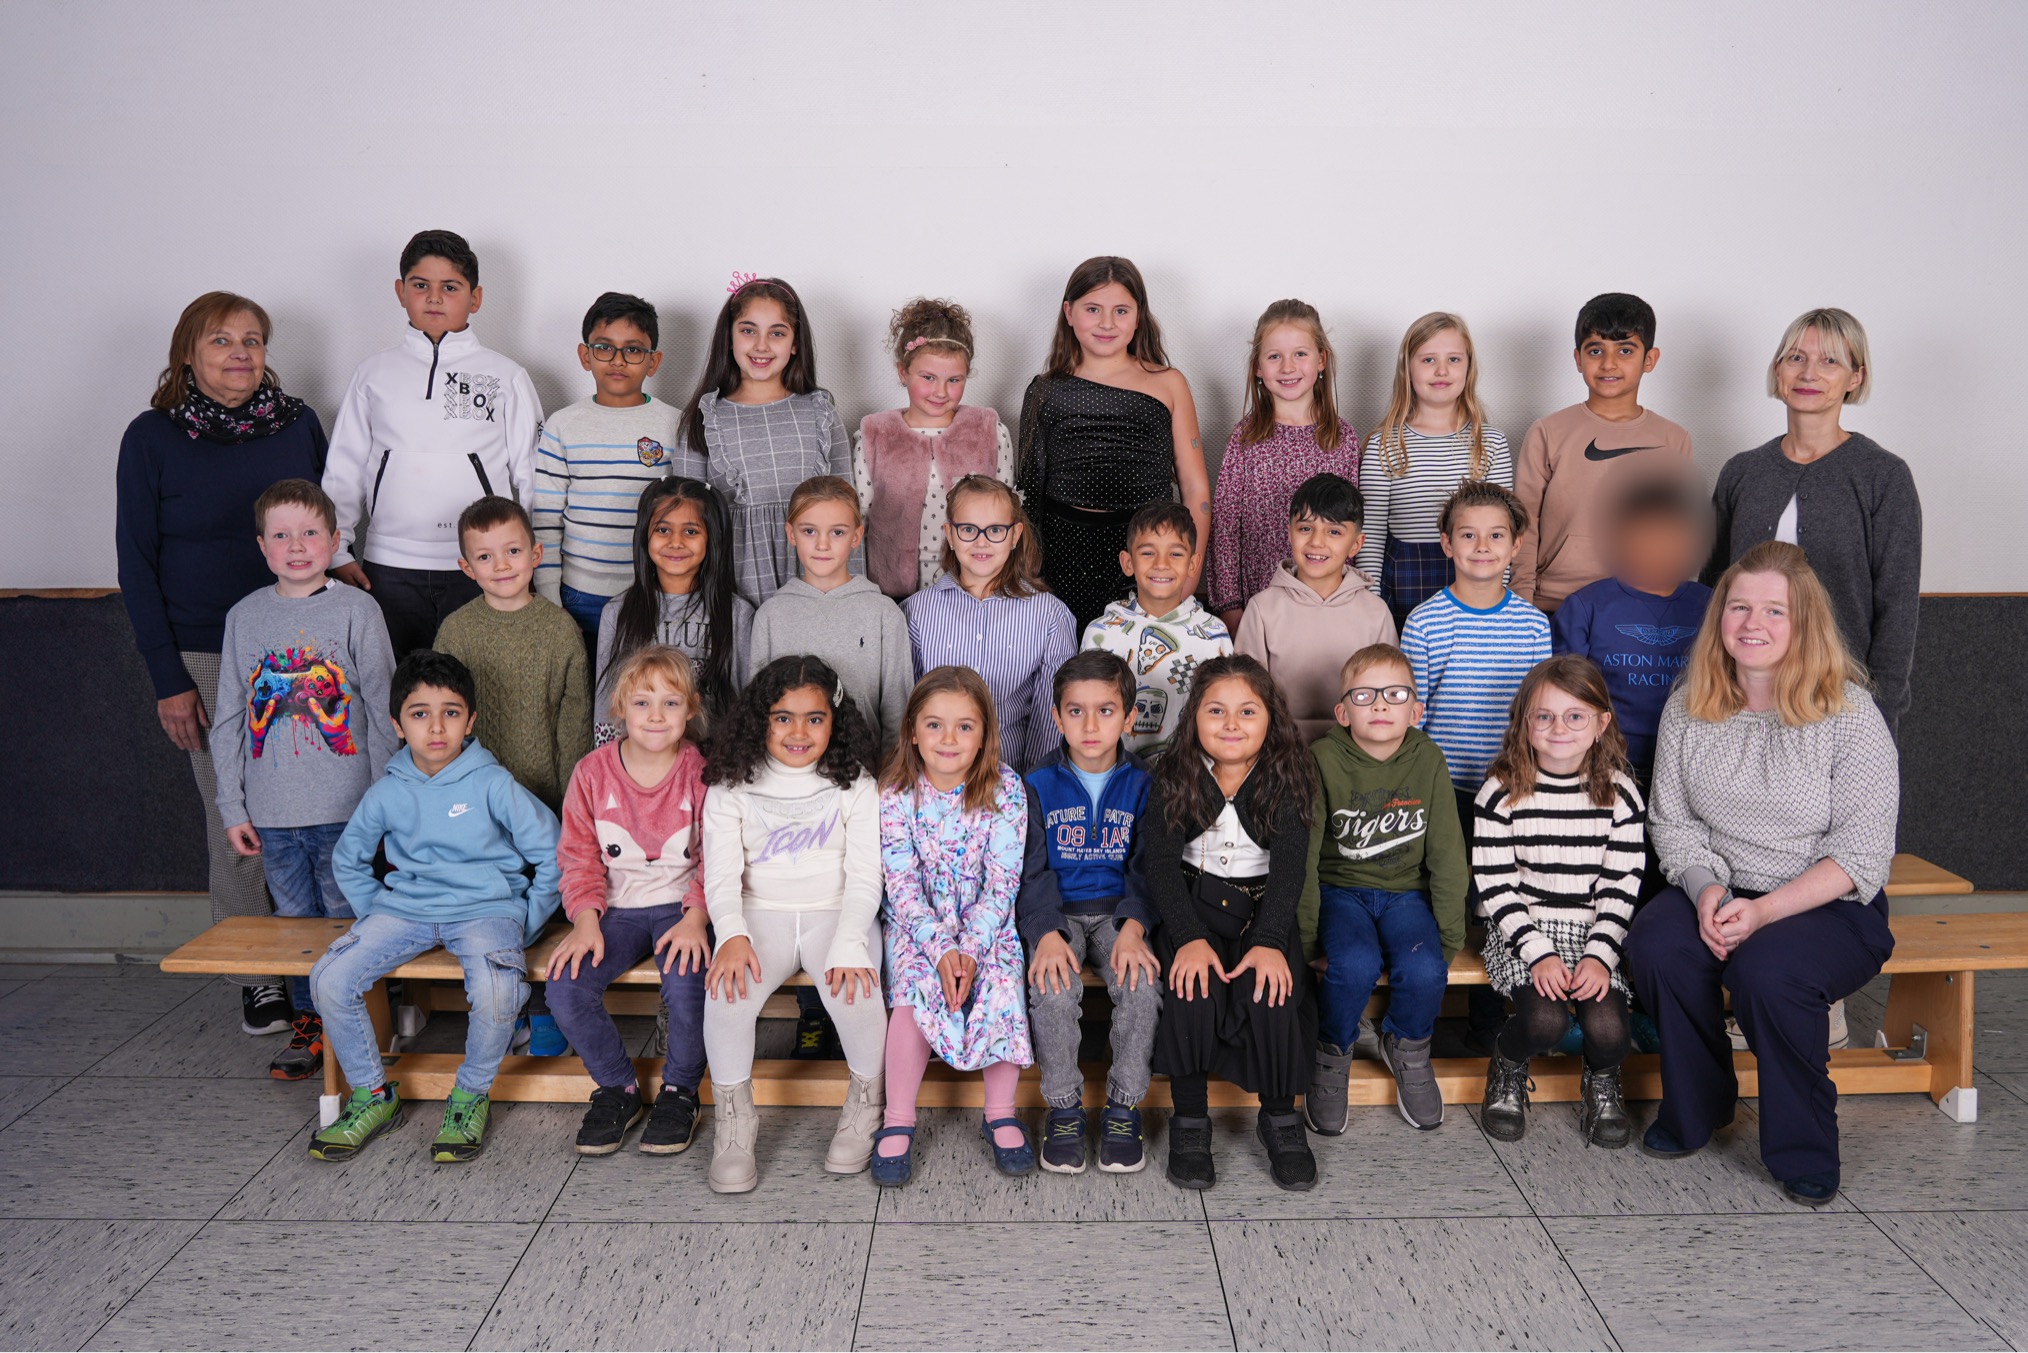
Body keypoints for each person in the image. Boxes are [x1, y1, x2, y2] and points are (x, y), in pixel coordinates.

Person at [1625, 542, 1899, 1207]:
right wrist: (1707, 893)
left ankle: (1804, 1146)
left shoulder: (1849, 714)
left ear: (1805, 622)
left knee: (1767, 973)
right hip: (1720, 886)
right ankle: (1698, 1106)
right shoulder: (1691, 705)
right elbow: (1672, 823)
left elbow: (1861, 853)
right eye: (1740, 607)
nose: (1753, 623)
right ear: (1719, 616)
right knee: (1657, 946)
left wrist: (1764, 912)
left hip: (1827, 902)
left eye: (1775, 610)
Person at [116, 290, 329, 1041]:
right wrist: (168, 677)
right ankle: (257, 976)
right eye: (220, 340)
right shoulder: (152, 437)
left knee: (319, 807)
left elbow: (327, 520)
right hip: (205, 651)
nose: (240, 352)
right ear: (188, 353)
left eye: (252, 339)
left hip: (301, 645)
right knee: (234, 812)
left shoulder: (298, 425)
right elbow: (136, 562)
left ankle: (326, 968)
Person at [308, 650, 561, 1163]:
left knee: (498, 991)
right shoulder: (386, 792)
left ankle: (469, 1096)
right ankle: (373, 1096)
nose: (437, 727)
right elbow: (349, 859)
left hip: (487, 910)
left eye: (451, 712)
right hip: (404, 911)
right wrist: (377, 913)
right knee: (329, 978)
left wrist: (527, 921)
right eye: (420, 713)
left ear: (471, 720)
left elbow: (554, 852)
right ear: (397, 725)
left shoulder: (492, 783)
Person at [211, 479, 398, 1080]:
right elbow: (230, 718)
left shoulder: (357, 610)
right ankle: (312, 1024)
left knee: (349, 919)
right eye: (281, 535)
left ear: (335, 541)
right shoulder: (245, 617)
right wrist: (233, 806)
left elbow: (382, 710)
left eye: (310, 533)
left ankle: (361, 1021)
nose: (296, 546)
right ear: (261, 545)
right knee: (293, 928)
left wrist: (386, 801)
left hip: (348, 809)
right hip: (272, 815)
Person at [700, 656, 888, 1191]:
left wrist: (850, 941)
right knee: (727, 996)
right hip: (760, 913)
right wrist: (731, 934)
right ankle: (735, 1123)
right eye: (782, 718)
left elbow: (865, 875)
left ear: (835, 720)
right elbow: (720, 876)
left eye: (814, 718)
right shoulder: (731, 784)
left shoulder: (856, 784)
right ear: (760, 719)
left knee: (857, 992)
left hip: (838, 910)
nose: (798, 732)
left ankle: (866, 1103)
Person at [322, 230, 543, 657]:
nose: (435, 297)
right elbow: (344, 468)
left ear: (475, 298)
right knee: (398, 685)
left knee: (481, 683)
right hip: (389, 566)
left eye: (451, 287)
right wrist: (338, 552)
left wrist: (534, 563)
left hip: (484, 566)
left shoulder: (505, 376)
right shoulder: (373, 374)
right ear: (401, 291)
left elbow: (534, 475)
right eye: (421, 285)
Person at [1145, 655, 1318, 1193]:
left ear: (1271, 719)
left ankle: (1280, 1116)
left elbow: (1290, 868)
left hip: (1262, 912)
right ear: (1193, 716)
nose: (1231, 724)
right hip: (1191, 909)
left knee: (1272, 990)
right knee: (1191, 989)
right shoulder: (1173, 774)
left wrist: (1268, 941)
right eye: (1216, 710)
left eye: (1247, 711)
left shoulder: (1287, 775)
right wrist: (1188, 938)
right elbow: (1160, 866)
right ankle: (1190, 1120)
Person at [1708, 308, 1921, 739]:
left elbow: (1897, 609)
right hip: (1740, 698)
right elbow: (1712, 590)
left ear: (1856, 377)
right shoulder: (1741, 472)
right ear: (1778, 370)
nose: (1809, 373)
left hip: (1840, 699)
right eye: (1796, 358)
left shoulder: (1883, 476)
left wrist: (1881, 715)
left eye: (1830, 361)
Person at [1402, 479, 1553, 1054]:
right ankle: (1422, 1013)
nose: (1482, 547)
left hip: (1510, 790)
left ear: (1516, 545)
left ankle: (1488, 1021)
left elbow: (1538, 714)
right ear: (1446, 543)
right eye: (1468, 535)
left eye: (1496, 536)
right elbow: (1413, 716)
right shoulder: (1424, 621)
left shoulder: (1533, 625)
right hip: (1444, 790)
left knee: (1498, 903)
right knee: (1443, 896)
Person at [545, 646, 712, 1158]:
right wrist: (585, 920)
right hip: (614, 910)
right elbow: (578, 855)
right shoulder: (592, 773)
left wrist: (697, 918)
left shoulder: (701, 773)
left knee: (688, 983)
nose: (656, 716)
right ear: (619, 708)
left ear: (690, 709)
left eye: (670, 703)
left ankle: (681, 1091)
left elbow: (718, 857)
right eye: (642, 703)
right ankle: (618, 1087)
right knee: (566, 986)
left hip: (683, 908)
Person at [870, 666, 1034, 1186]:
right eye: (934, 725)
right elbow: (900, 883)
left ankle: (1001, 1111)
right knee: (913, 989)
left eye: (965, 726)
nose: (948, 738)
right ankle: (898, 1117)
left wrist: (971, 947)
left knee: (1003, 980)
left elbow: (1003, 881)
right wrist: (941, 950)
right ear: (912, 732)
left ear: (984, 734)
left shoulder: (1006, 788)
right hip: (917, 923)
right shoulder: (895, 793)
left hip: (986, 920)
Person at [1475, 655, 1647, 1149]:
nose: (1559, 729)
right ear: (1524, 722)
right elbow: (1497, 885)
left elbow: (1621, 885)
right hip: (1522, 929)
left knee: (1610, 1030)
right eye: (1544, 716)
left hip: (1595, 930)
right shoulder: (1501, 792)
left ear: (1601, 724)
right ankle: (1508, 1064)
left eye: (1575, 716)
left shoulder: (1621, 795)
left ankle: (1602, 1080)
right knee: (1544, 1021)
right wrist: (1539, 953)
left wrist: (1599, 955)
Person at [1297, 643, 1466, 1137]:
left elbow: (1447, 853)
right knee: (1353, 964)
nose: (1379, 704)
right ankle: (1332, 1050)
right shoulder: (1321, 759)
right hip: (1340, 891)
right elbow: (1305, 856)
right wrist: (1306, 939)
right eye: (1364, 695)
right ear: (1342, 712)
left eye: (1394, 694)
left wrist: (1449, 937)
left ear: (1416, 710)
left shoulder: (1428, 758)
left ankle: (1407, 1043)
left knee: (1426, 968)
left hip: (1406, 894)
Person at [1018, 650, 1161, 1175]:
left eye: (1106, 711)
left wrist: (1134, 927)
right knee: (1053, 987)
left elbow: (1148, 867)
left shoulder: (1145, 783)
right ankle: (1064, 1109)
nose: (1091, 725)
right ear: (1057, 718)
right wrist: (1045, 933)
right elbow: (1030, 870)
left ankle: (1124, 1107)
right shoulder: (1036, 783)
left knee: (1141, 986)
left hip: (1119, 915)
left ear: (1129, 717)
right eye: (1076, 711)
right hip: (1057, 913)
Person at [1017, 256, 1212, 631]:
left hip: (1148, 552)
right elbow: (1029, 493)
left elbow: (1195, 488)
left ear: (1138, 316)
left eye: (1121, 311)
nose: (1106, 323)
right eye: (1093, 309)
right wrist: (1028, 573)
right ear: (1069, 312)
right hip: (1063, 557)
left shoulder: (1169, 383)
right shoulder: (1043, 390)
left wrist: (1190, 573)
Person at [531, 292, 704, 639]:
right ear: (585, 355)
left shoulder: (676, 425)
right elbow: (546, 517)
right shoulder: (562, 425)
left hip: (652, 592)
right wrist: (549, 593)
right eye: (604, 348)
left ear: (653, 361)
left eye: (633, 350)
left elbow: (691, 513)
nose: (618, 360)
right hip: (578, 595)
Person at [1511, 293, 1694, 613]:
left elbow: (1679, 534)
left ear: (1650, 360)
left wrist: (1672, 607)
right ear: (1578, 358)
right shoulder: (1547, 432)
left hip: (1637, 608)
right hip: (1554, 603)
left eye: (1625, 350)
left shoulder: (1673, 439)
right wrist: (1521, 605)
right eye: (1596, 350)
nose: (1609, 363)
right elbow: (1523, 524)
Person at [681, 276, 854, 608]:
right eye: (748, 330)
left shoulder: (820, 413)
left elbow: (847, 514)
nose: (761, 346)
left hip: (815, 589)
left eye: (777, 333)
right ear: (729, 338)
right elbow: (688, 521)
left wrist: (852, 599)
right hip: (733, 591)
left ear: (795, 343)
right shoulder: (705, 419)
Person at [1205, 299, 1362, 629]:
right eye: (1275, 356)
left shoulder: (1342, 438)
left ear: (1321, 360)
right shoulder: (1245, 438)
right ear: (1258, 367)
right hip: (1259, 607)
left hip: (1328, 605)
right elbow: (1225, 529)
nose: (1288, 367)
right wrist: (1230, 607)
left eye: (1300, 354)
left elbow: (1354, 528)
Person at [903, 475, 1076, 773]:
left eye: (995, 530)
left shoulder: (1050, 615)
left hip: (1013, 778)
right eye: (968, 529)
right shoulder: (915, 612)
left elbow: (1048, 718)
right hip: (934, 780)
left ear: (1015, 535)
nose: (981, 541)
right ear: (950, 534)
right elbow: (908, 706)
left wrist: (1032, 787)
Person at [434, 496, 592, 815]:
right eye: (485, 556)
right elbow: (440, 718)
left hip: (545, 801)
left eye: (513, 551)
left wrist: (571, 805)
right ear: (467, 568)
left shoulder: (561, 630)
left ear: (536, 555)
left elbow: (575, 723)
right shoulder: (456, 631)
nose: (501, 565)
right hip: (472, 799)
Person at [1356, 313, 1514, 629]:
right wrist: (1373, 606)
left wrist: (1496, 593)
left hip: (1474, 574)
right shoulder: (1384, 444)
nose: (1442, 370)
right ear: (1407, 368)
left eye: (1453, 359)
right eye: (1428, 360)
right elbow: (1371, 535)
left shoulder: (1491, 443)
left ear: (1469, 367)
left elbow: (1503, 531)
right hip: (1404, 581)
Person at [852, 298, 1016, 599]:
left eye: (954, 380)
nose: (940, 392)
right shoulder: (874, 436)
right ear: (903, 372)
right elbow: (859, 517)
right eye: (928, 378)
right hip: (891, 590)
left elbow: (1006, 513)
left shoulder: (990, 432)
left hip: (971, 590)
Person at [1552, 478, 1713, 783]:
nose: (1656, 545)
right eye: (1644, 534)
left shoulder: (1712, 604)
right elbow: (1563, 697)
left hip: (1691, 765)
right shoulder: (1586, 606)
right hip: (1606, 766)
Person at [748, 476, 912, 753]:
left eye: (837, 532)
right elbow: (757, 710)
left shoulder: (884, 614)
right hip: (789, 769)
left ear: (856, 537)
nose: (822, 544)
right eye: (809, 531)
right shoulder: (770, 616)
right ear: (791, 534)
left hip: (863, 767)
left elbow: (897, 712)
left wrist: (890, 772)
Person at [1234, 473, 1398, 744]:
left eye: (1334, 532)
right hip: (1281, 749)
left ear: (1356, 544)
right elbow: (1245, 694)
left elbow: (1388, 694)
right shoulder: (1262, 609)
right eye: (1305, 528)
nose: (1317, 542)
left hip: (1356, 750)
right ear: (1290, 533)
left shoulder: (1376, 612)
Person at [595, 477, 754, 743]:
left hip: (714, 761)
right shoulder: (617, 612)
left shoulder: (737, 614)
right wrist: (609, 761)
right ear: (644, 534)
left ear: (711, 538)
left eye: (691, 531)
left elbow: (748, 702)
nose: (676, 542)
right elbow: (606, 705)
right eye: (663, 530)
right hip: (639, 761)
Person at [1081, 501, 1233, 754]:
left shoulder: (1213, 635)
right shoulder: (1102, 633)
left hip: (1191, 773)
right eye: (1148, 553)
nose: (1161, 564)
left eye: (1176, 554)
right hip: (1119, 772)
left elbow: (1225, 713)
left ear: (1193, 564)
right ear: (1128, 562)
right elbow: (1085, 710)